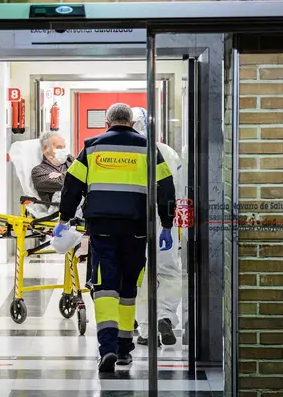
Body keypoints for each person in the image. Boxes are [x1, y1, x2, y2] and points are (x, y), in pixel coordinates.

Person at [54, 103, 176, 373]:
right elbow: (166, 186)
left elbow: (71, 186)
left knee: (106, 286)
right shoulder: (147, 148)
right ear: (131, 123)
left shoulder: (93, 147)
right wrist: (167, 224)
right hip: (137, 229)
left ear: (107, 123)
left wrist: (64, 219)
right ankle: (124, 350)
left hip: (103, 229)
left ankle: (107, 348)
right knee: (128, 287)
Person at [131, 107, 189, 347]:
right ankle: (164, 315)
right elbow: (181, 190)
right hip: (166, 220)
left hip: (135, 220)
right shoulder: (168, 152)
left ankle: (145, 329)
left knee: (140, 275)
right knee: (168, 271)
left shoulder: (127, 152)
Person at [31, 132, 73, 203]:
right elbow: (62, 183)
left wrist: (62, 175)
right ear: (45, 149)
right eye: (59, 147)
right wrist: (68, 175)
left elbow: (87, 172)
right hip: (64, 210)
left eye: (64, 147)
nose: (63, 150)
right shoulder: (38, 171)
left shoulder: (70, 160)